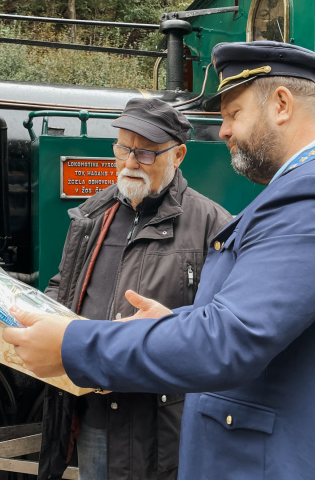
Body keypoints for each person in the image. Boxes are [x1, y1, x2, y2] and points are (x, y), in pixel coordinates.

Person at [5, 41, 315, 479]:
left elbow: (228, 339)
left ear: (281, 105)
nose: (222, 131)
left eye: (232, 113)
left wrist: (72, 345)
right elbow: (256, 322)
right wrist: (170, 322)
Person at [37, 97, 232, 480]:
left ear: (178, 156)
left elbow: (221, 327)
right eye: (123, 148)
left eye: (144, 153)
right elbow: (65, 286)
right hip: (95, 416)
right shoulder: (92, 214)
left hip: (164, 423)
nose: (128, 163)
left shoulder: (212, 223)